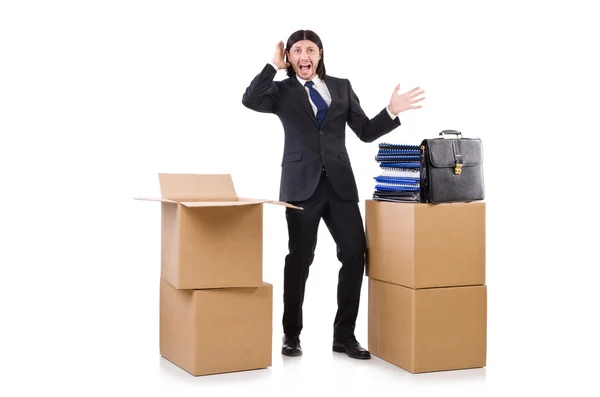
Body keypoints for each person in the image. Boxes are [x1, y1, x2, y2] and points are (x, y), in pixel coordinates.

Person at [241, 29, 425, 360]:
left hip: (339, 184)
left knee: (355, 253)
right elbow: (249, 99)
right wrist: (271, 66)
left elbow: (366, 132)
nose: (303, 56)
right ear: (289, 58)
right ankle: (291, 334)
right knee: (299, 259)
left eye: (309, 49)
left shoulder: (341, 87)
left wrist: (392, 110)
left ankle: (344, 336)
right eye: (296, 51)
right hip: (301, 186)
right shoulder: (280, 91)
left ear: (320, 54)